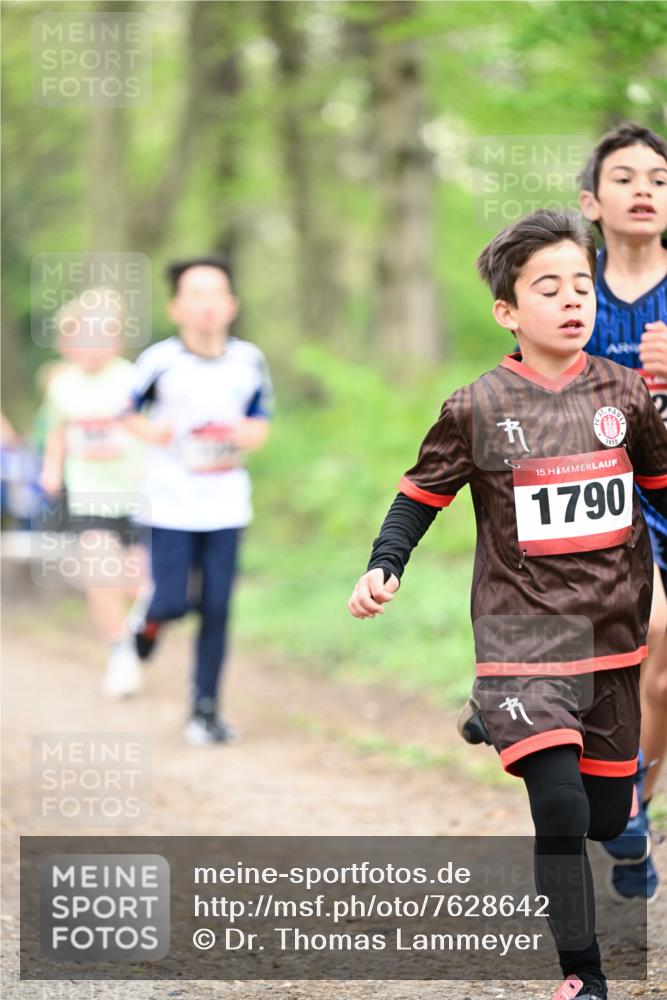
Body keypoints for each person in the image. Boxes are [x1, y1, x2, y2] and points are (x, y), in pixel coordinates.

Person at [348, 209, 667, 1000]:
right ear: (507, 310)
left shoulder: (624, 393)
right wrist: (384, 565)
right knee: (558, 811)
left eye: (581, 286)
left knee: (599, 816)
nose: (571, 300)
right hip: (521, 640)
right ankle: (580, 975)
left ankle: (489, 716)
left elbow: (661, 492)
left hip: (612, 640)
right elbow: (419, 497)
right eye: (548, 287)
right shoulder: (477, 406)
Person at [125, 255, 273, 746]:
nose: (207, 305)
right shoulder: (159, 360)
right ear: (176, 307)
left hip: (226, 503)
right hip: (169, 503)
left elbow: (260, 422)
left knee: (216, 607)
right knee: (171, 601)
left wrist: (244, 434)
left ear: (231, 305)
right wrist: (153, 429)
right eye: (196, 295)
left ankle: (204, 709)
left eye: (216, 294)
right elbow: (127, 413)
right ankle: (148, 620)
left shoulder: (248, 360)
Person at [577, 121, 667, 903]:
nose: (644, 189)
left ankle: (633, 807)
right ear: (591, 201)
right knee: (650, 639)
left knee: (662, 685)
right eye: (625, 177)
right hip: (609, 500)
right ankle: (629, 813)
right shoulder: (571, 288)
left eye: (658, 179)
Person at [39, 289, 145, 698]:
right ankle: (119, 654)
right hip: (89, 494)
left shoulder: (132, 378)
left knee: (137, 584)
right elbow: (57, 429)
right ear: (68, 343)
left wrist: (146, 459)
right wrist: (51, 468)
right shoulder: (61, 384)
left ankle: (138, 630)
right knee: (102, 573)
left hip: (138, 496)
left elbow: (153, 427)